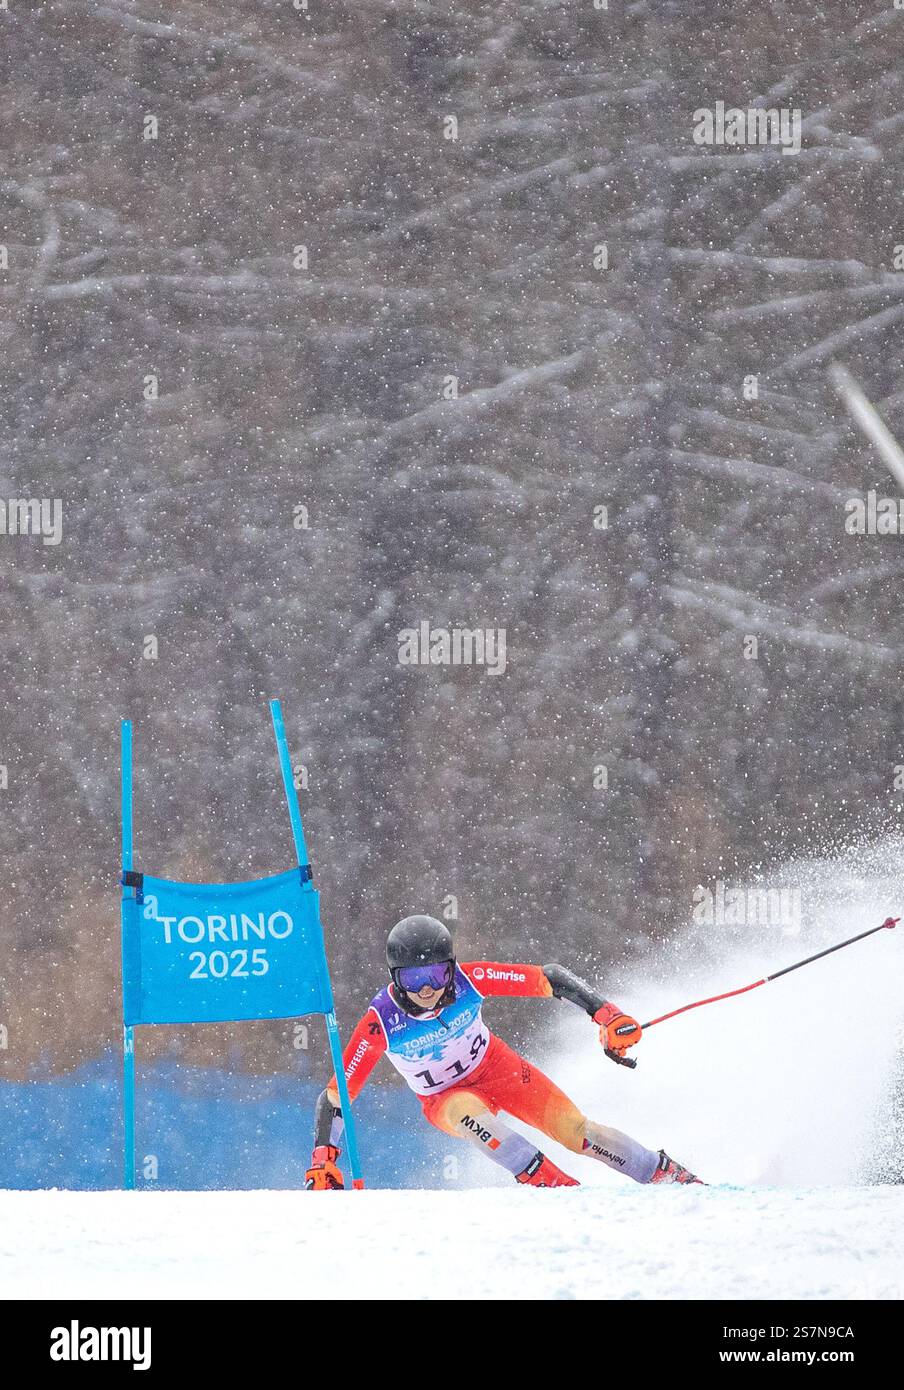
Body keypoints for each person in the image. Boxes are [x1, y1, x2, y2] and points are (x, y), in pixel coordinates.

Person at [306, 915, 704, 1189]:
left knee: (577, 1133)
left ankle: (666, 1175)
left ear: (451, 968)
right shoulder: (380, 1021)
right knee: (469, 1114)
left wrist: (607, 1015)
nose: (426, 989)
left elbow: (548, 979)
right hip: (445, 1098)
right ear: (396, 978)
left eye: (437, 975)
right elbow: (336, 1095)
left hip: (500, 1069)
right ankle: (553, 1185)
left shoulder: (470, 981)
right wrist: (324, 1159)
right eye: (413, 978)